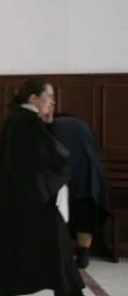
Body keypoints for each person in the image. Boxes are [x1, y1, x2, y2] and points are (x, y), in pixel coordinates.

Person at [0, 79, 99, 296]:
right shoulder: (26, 123)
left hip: (22, 203)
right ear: (33, 98)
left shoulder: (19, 121)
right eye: (48, 96)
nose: (52, 102)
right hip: (32, 204)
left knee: (13, 255)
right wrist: (61, 167)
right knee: (58, 256)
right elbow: (46, 160)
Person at [49, 112, 109, 269]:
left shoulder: (53, 125)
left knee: (58, 214)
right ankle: (83, 254)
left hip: (61, 174)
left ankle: (59, 253)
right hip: (87, 176)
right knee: (84, 216)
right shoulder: (83, 125)